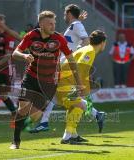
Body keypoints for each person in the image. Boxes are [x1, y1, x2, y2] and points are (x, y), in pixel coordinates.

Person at [9, 10, 83, 149]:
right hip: (30, 77)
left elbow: (71, 60)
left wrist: (79, 83)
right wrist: (24, 56)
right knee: (22, 108)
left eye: (54, 23)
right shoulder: (31, 35)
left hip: (49, 83)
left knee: (35, 116)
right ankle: (15, 141)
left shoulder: (59, 39)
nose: (53, 26)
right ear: (41, 24)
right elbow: (15, 53)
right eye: (50, 24)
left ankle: (24, 121)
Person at [31, 4, 105, 134]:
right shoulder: (75, 25)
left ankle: (45, 122)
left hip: (65, 65)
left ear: (69, 14)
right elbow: (76, 38)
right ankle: (45, 122)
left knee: (58, 94)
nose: (64, 16)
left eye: (65, 14)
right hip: (61, 64)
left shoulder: (77, 25)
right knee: (54, 95)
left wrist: (76, 53)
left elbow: (86, 41)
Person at [57, 30, 107, 144]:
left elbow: (82, 69)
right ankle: (97, 115)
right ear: (103, 42)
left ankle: (70, 136)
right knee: (74, 102)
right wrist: (81, 85)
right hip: (64, 81)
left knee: (76, 107)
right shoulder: (90, 51)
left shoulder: (87, 49)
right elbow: (79, 67)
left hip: (66, 79)